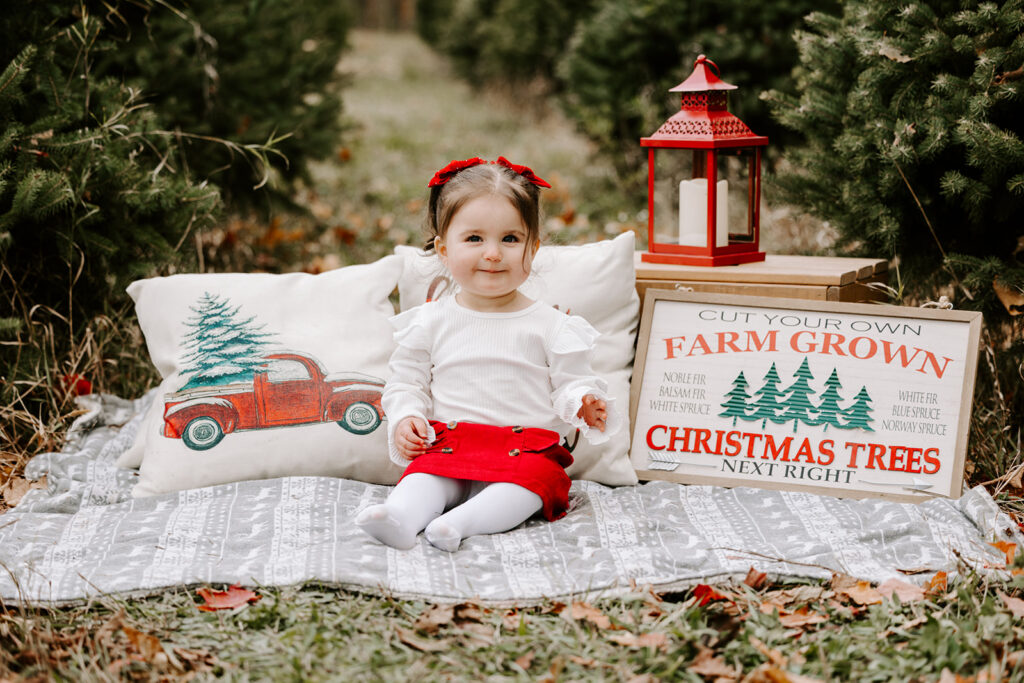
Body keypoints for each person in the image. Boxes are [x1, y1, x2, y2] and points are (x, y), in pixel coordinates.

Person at [355, 156, 620, 552]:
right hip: (453, 445)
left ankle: (459, 524)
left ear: (533, 248)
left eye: (510, 239)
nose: (493, 253)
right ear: (444, 249)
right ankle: (402, 517)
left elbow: (571, 380)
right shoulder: (430, 321)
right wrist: (407, 417)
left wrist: (582, 401)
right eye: (474, 239)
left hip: (525, 451)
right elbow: (407, 382)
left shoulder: (551, 325)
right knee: (424, 477)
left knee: (530, 487)